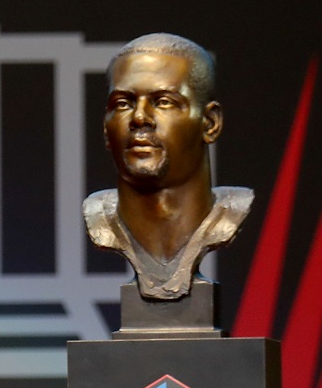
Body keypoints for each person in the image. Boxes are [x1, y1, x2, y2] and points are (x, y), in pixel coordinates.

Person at [83, 32, 252, 300]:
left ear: (210, 123)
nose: (139, 118)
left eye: (163, 102)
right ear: (105, 128)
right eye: (123, 104)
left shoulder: (232, 211)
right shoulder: (99, 217)